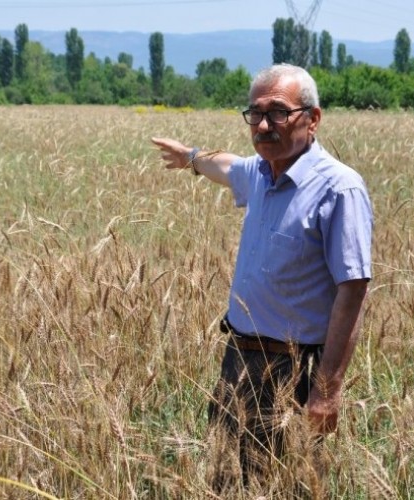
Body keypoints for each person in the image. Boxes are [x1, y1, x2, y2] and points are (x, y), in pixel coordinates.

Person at [152, 64, 373, 489]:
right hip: (239, 358)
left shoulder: (339, 189)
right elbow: (228, 167)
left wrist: (326, 391)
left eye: (278, 112)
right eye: (255, 113)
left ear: (312, 118)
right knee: (226, 480)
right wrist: (192, 158)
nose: (264, 124)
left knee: (284, 485)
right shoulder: (260, 173)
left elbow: (353, 291)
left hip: (294, 369)